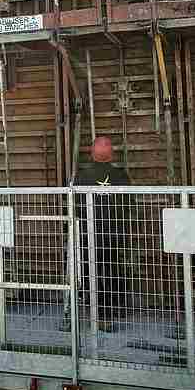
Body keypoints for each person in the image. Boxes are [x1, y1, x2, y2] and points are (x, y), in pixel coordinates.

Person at [75, 136, 132, 324]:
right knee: (114, 269)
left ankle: (97, 308)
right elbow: (130, 206)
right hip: (115, 234)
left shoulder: (81, 177)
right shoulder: (121, 176)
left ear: (92, 153)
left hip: (89, 233)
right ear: (111, 155)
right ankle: (118, 306)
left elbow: (75, 206)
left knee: (91, 270)